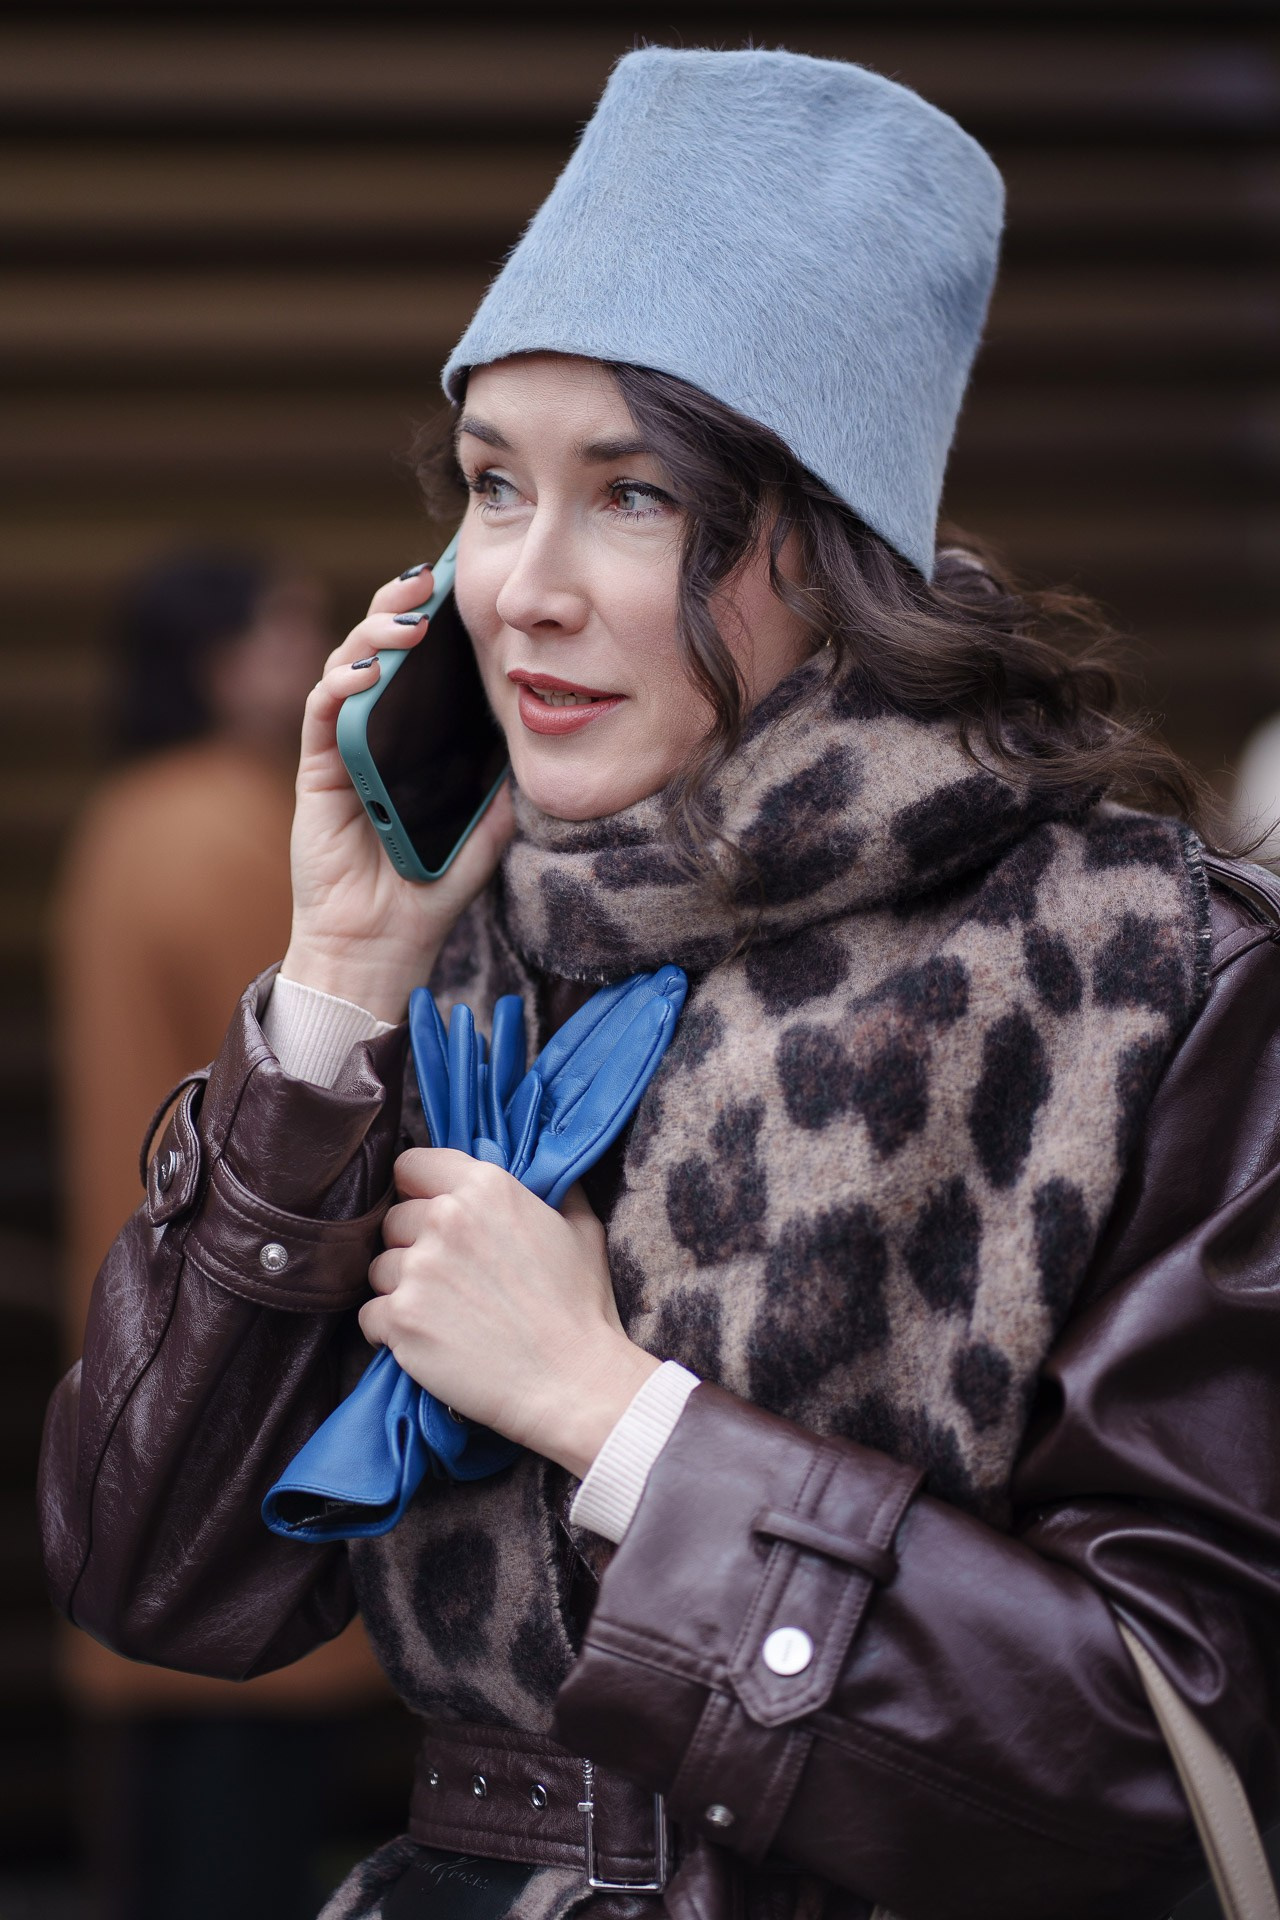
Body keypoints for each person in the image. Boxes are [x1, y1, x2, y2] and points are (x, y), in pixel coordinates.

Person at [38, 48, 1280, 1920]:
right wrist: (336, 992)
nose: (521, 587)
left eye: (630, 495)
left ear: (834, 541)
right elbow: (153, 1579)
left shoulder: (1148, 968)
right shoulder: (468, 937)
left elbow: (1163, 1759)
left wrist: (618, 1418)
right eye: (492, 484)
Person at [51, 550, 393, 1920]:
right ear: (216, 660)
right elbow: (326, 1063)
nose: (317, 647)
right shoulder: (226, 827)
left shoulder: (132, 813)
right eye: (288, 626)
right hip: (240, 1318)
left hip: (154, 1317)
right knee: (238, 1764)